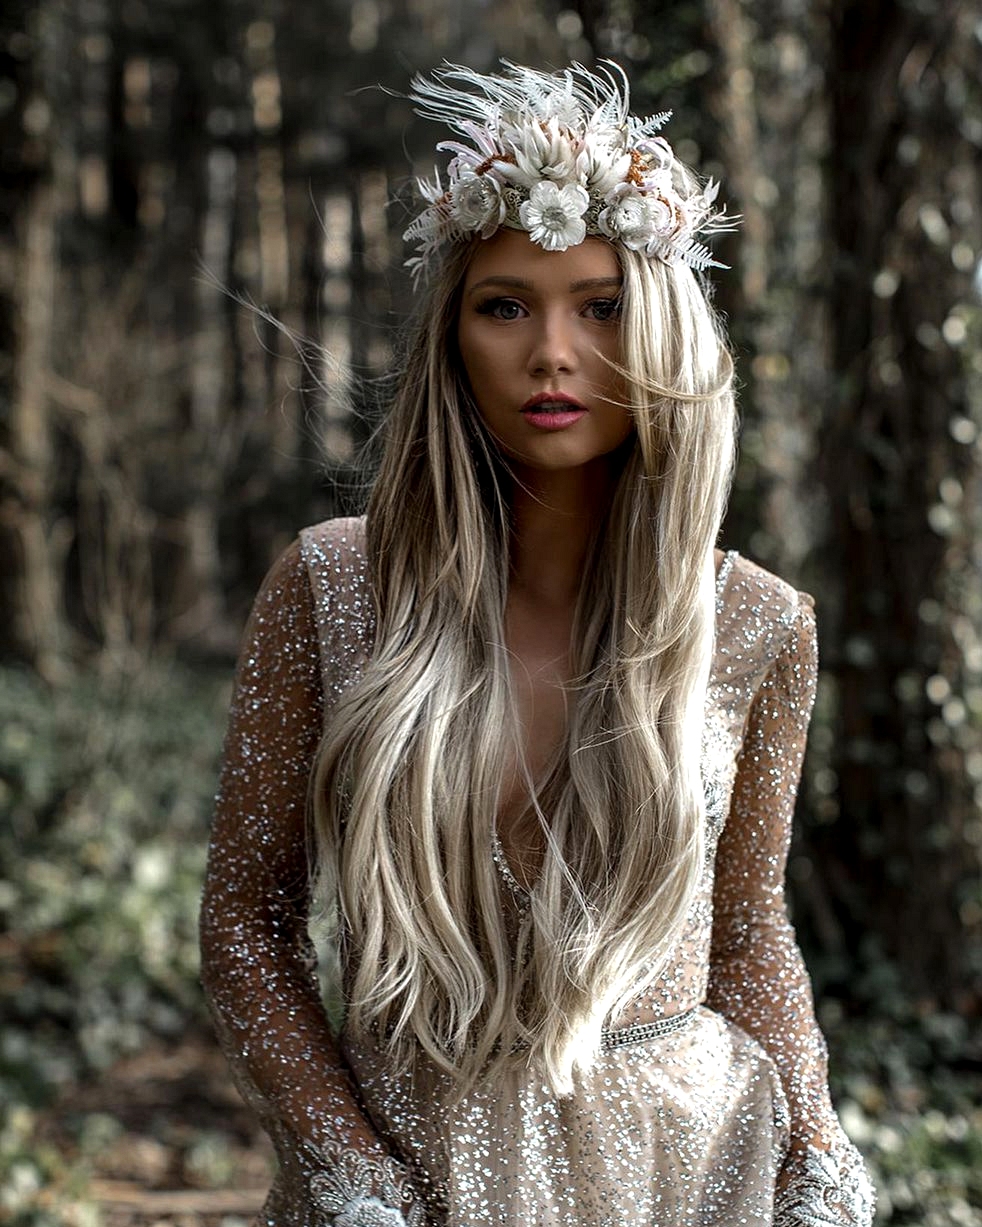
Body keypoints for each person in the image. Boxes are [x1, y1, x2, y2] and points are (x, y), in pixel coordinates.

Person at [199, 61, 874, 1227]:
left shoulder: (760, 623)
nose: (550, 351)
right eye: (504, 304)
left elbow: (748, 932)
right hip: (409, 1167)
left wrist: (817, 1150)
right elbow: (245, 923)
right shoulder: (333, 583)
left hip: (689, 1171)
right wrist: (349, 1169)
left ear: (660, 330)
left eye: (600, 305)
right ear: (455, 335)